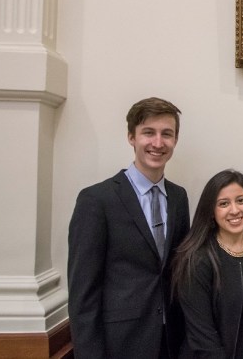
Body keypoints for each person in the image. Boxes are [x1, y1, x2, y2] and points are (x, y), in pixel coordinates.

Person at [68, 97, 190, 359]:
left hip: (170, 342)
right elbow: (83, 295)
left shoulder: (179, 198)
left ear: (175, 141)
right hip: (119, 344)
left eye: (166, 134)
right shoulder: (96, 201)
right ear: (131, 137)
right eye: (148, 133)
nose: (158, 143)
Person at [171, 169, 243, 359]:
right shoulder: (196, 259)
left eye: (241, 200)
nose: (235, 210)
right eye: (223, 204)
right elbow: (202, 339)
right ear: (211, 211)